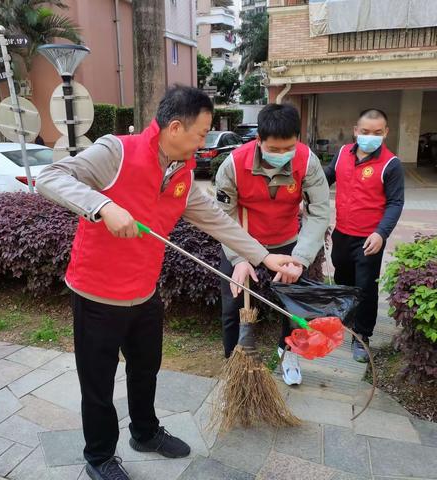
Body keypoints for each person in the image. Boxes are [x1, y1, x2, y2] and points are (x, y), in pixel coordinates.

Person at [36, 86, 300, 480]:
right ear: (175, 127)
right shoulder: (116, 152)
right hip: (97, 294)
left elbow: (215, 218)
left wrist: (264, 255)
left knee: (145, 370)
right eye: (200, 133)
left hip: (144, 292)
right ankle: (100, 456)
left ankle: (144, 433)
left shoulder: (182, 171)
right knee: (98, 383)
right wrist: (103, 206)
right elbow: (48, 177)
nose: (203, 141)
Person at [215, 103, 330, 386]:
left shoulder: (307, 161)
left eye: (288, 148)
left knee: (292, 307)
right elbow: (222, 216)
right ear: (258, 141)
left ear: (297, 141)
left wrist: (300, 258)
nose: (282, 155)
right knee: (232, 306)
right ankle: (233, 361)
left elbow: (319, 211)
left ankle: (288, 353)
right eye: (274, 150)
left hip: (288, 243)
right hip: (243, 243)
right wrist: (239, 258)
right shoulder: (232, 165)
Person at [324, 109, 404, 363]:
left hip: (369, 239)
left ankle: (362, 335)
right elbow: (324, 178)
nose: (371, 137)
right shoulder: (342, 154)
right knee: (342, 280)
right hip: (342, 233)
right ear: (356, 131)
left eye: (377, 133)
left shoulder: (391, 164)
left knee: (366, 287)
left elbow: (395, 203)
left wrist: (381, 233)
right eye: (366, 132)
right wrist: (305, 195)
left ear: (385, 133)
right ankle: (345, 320)